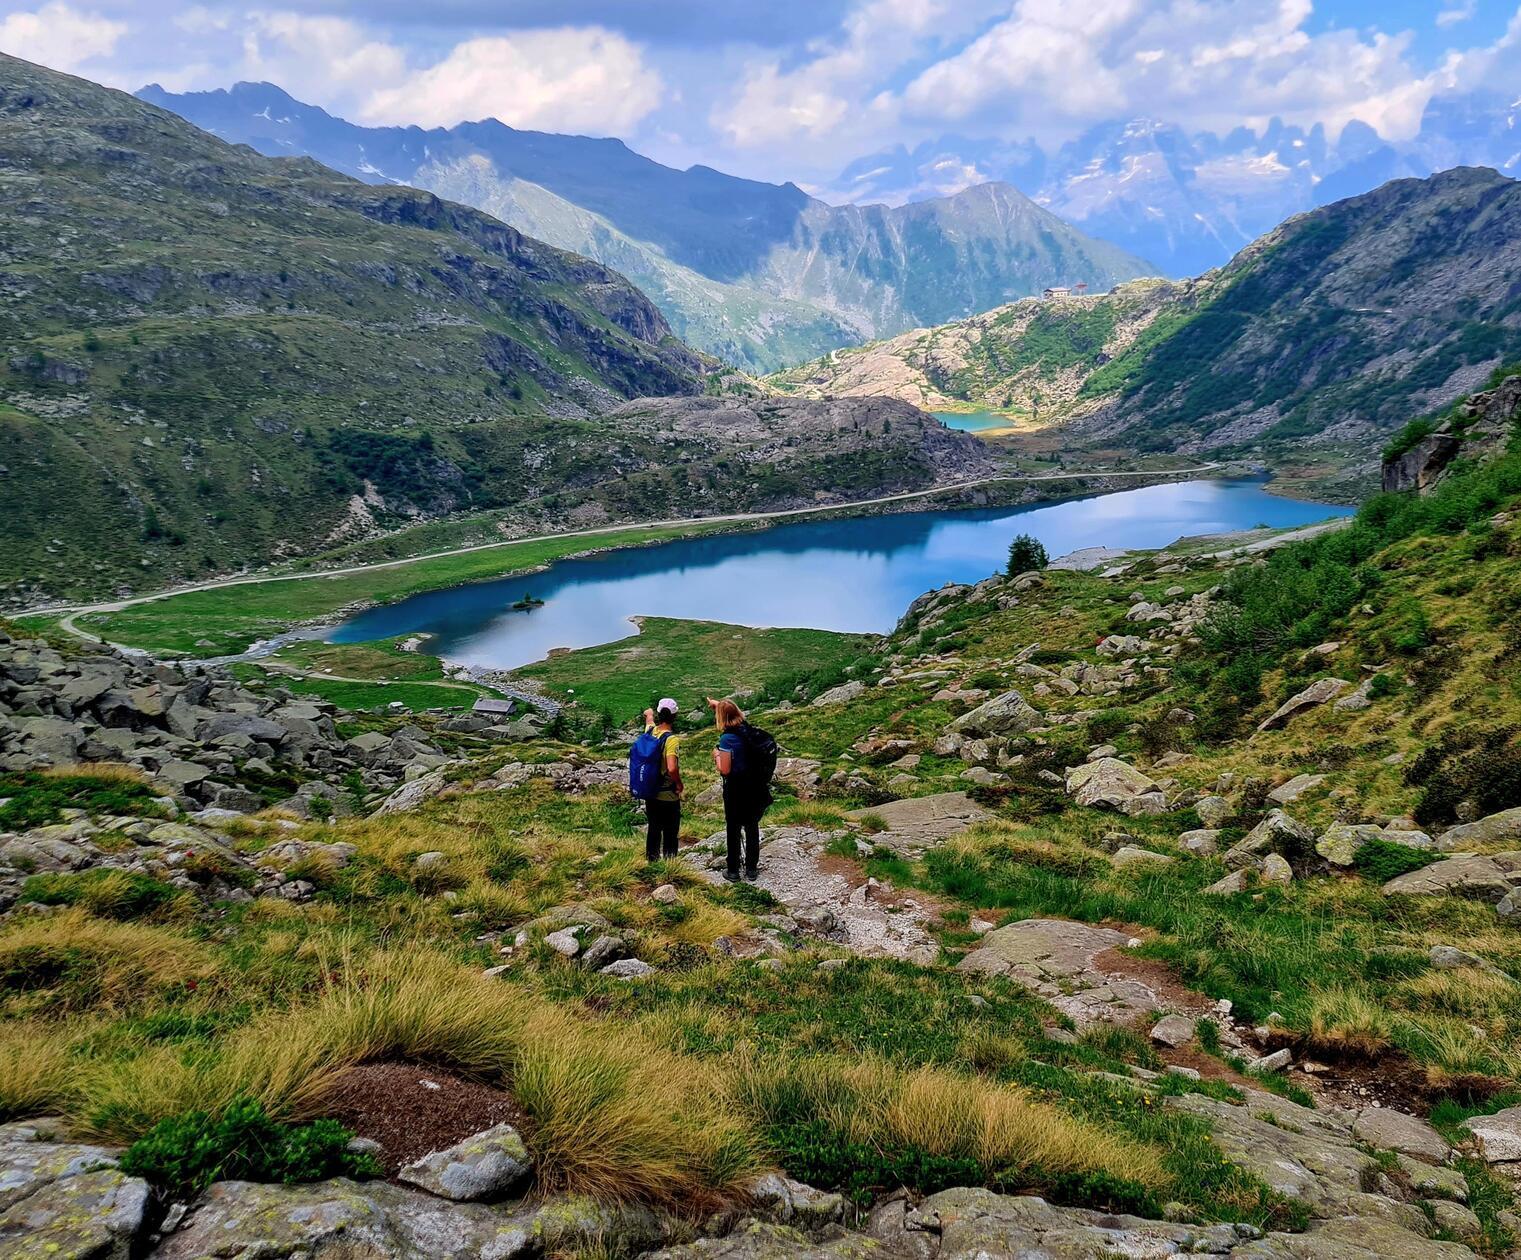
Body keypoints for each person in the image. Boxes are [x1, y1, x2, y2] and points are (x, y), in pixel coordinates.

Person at [708, 696, 765, 881]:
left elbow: (725, 769)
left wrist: (716, 754)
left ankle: (732, 870)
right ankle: (751, 869)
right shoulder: (746, 730)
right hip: (753, 785)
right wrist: (719, 706)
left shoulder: (727, 739)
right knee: (751, 825)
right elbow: (733, 714)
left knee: (733, 826)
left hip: (735, 788)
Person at [640, 698, 684, 861]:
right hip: (667, 793)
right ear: (674, 716)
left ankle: (652, 861)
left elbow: (649, 720)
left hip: (651, 791)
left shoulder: (650, 732)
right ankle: (670, 862)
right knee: (670, 830)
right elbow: (672, 767)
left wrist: (649, 714)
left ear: (659, 714)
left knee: (654, 827)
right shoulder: (671, 740)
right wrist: (679, 784)